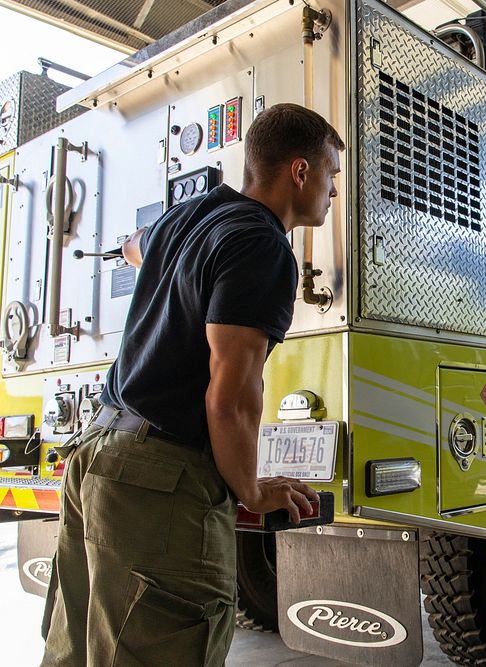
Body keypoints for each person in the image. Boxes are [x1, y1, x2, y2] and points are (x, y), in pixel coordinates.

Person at [41, 103, 345, 666]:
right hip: (157, 481)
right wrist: (251, 489)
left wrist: (148, 257)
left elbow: (135, 243)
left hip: (97, 456)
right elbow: (229, 400)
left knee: (76, 653)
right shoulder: (262, 245)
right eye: (331, 174)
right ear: (300, 171)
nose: (333, 191)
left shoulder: (188, 216)